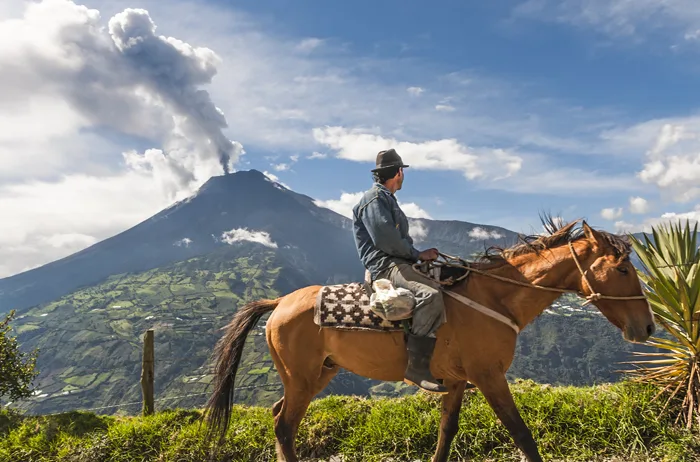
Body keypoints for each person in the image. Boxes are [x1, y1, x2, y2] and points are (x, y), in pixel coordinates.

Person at [352, 148, 448, 394]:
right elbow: (386, 240)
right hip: (386, 265)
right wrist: (417, 255)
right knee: (431, 295)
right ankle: (416, 369)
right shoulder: (374, 199)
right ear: (398, 172)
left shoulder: (384, 197)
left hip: (398, 261)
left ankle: (446, 363)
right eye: (402, 171)